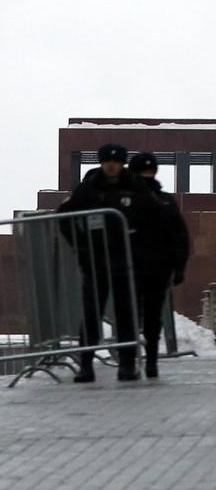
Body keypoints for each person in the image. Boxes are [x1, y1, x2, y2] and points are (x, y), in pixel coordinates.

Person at [57, 143, 160, 382]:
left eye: (116, 162)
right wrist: (79, 244)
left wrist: (141, 246)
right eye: (107, 162)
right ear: (101, 163)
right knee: (91, 313)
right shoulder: (90, 186)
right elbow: (65, 214)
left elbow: (152, 215)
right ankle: (86, 365)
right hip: (95, 260)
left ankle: (127, 364)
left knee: (126, 313)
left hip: (126, 261)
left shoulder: (134, 185)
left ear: (122, 164)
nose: (111, 166)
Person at [127, 152, 191, 377]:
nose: (146, 176)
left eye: (150, 171)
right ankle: (129, 362)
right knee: (130, 315)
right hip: (130, 266)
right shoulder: (126, 199)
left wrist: (179, 266)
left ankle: (151, 360)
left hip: (158, 266)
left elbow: (179, 234)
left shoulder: (164, 200)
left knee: (152, 316)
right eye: (142, 172)